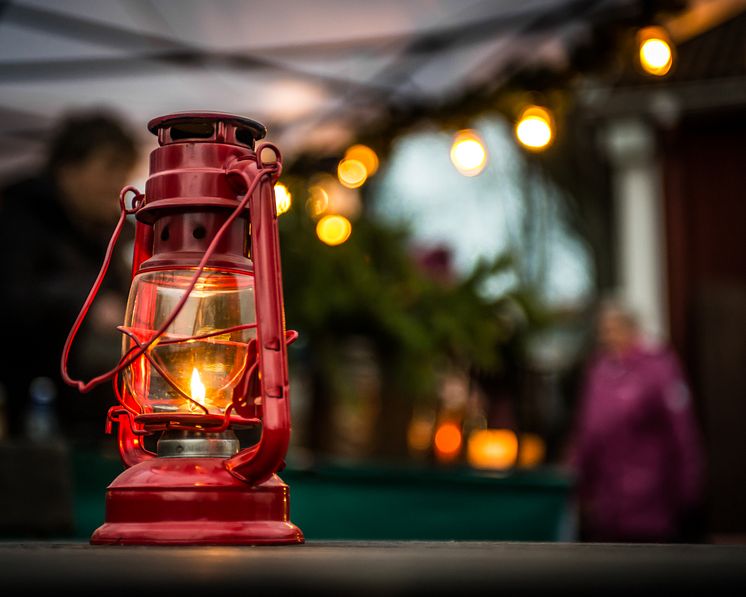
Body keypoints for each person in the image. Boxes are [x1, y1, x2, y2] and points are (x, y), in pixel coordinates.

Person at [0, 110, 138, 446]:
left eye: (123, 170)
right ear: (67, 169)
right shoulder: (18, 216)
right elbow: (12, 297)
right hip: (26, 421)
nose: (117, 181)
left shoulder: (111, 232)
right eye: (108, 167)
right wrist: (89, 303)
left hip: (89, 422)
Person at [568, 299, 705, 542]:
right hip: (607, 508)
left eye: (613, 328)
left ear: (631, 328)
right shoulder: (599, 371)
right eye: (603, 330)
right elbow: (587, 432)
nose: (607, 336)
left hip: (652, 506)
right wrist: (578, 485)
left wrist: (689, 489)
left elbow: (682, 432)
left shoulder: (659, 367)